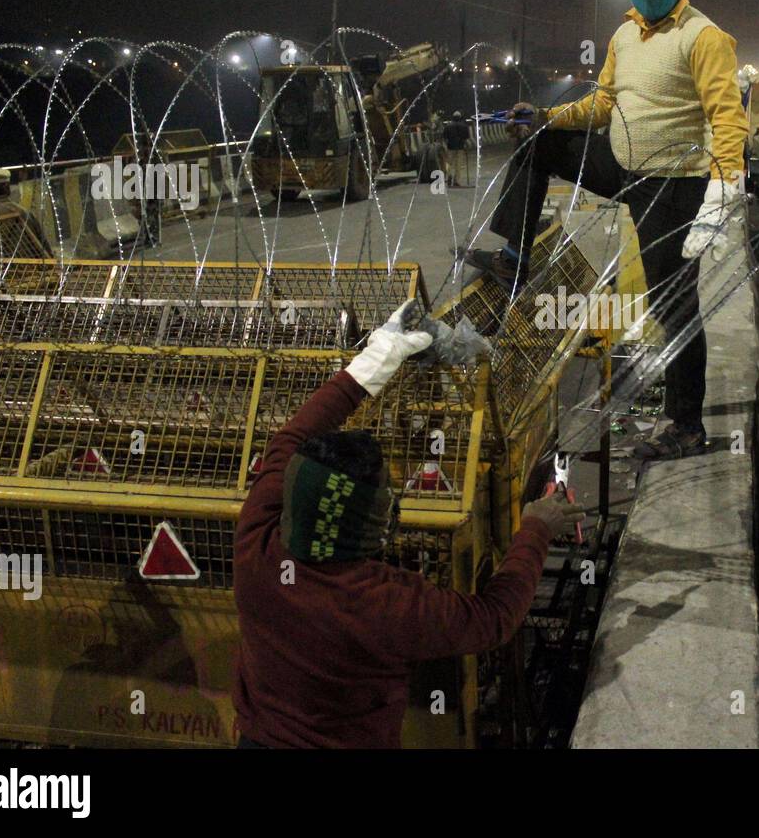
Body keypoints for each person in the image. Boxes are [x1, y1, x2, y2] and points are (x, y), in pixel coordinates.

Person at [232, 300, 578, 748]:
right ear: (376, 521)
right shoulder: (386, 604)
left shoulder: (256, 542)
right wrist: (536, 527)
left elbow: (291, 438)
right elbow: (493, 619)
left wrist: (381, 355)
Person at [463, 0, 749, 461]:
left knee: (674, 302)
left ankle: (687, 424)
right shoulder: (624, 36)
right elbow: (602, 105)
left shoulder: (704, 37)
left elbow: (728, 117)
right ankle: (516, 257)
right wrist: (547, 117)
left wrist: (725, 186)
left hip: (670, 183)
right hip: (621, 163)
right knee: (538, 145)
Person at [443, 110, 472, 187]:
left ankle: (449, 175)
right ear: (460, 117)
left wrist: (447, 145)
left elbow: (445, 138)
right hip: (460, 147)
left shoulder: (448, 126)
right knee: (458, 165)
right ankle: (457, 181)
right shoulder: (464, 126)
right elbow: (466, 138)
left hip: (450, 147)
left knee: (449, 163)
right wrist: (466, 146)